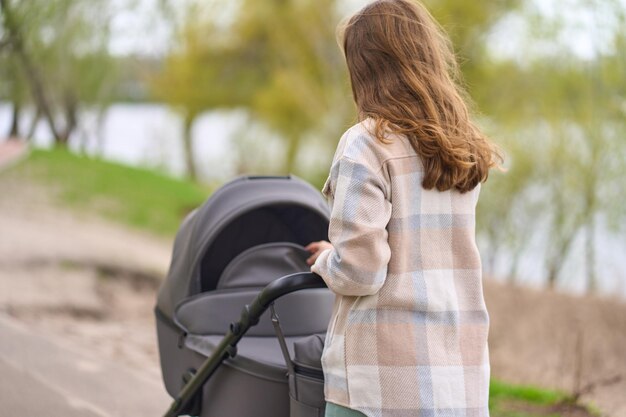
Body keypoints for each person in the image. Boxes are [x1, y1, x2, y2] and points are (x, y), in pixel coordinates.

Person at [305, 1, 503, 416]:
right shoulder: (461, 148)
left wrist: (327, 260)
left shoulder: (366, 144)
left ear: (364, 69)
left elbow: (361, 271)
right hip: (456, 377)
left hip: (379, 383)